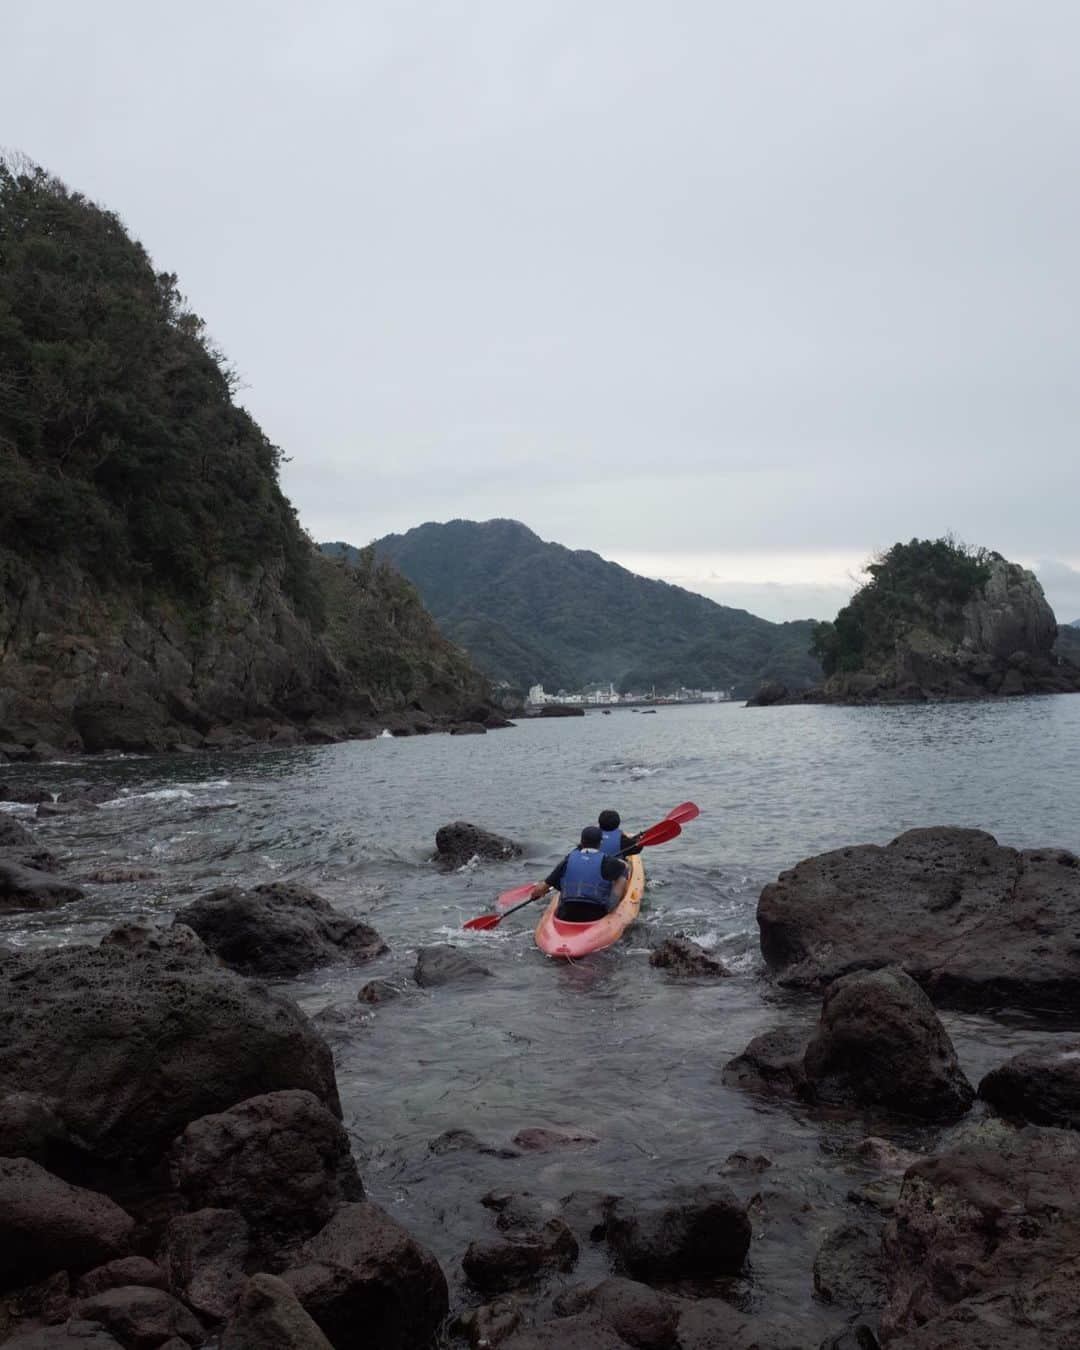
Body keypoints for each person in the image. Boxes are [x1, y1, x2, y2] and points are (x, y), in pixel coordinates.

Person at [529, 825, 629, 922]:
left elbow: (541, 889)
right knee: (623, 871)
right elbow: (625, 867)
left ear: (581, 841)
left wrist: (535, 895)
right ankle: (611, 908)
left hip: (566, 914)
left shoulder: (568, 860)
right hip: (596, 914)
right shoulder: (608, 861)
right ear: (601, 843)